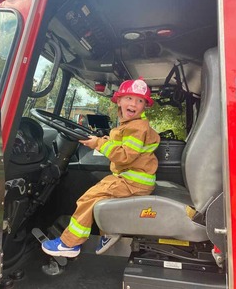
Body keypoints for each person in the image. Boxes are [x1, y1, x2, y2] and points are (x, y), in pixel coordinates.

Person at [42, 78, 160, 258]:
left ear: (145, 106)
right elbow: (118, 145)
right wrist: (99, 141)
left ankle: (69, 243)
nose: (134, 104)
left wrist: (98, 143)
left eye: (140, 101)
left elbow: (125, 156)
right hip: (130, 178)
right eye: (129, 98)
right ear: (119, 101)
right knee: (101, 190)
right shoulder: (130, 126)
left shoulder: (137, 128)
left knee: (89, 198)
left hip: (133, 181)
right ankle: (109, 232)